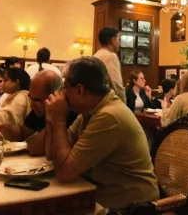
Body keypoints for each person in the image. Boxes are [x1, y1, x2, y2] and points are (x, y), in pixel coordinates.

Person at [44, 57, 159, 210]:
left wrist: (59, 119)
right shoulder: (90, 111)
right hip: (100, 198)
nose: (62, 93)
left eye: (65, 87)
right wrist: (50, 120)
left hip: (133, 208)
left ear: (79, 90)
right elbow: (52, 155)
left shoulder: (108, 116)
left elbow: (64, 172)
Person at [0, 70, 78, 155]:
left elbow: (36, 148)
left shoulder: (69, 112)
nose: (32, 105)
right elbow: (22, 132)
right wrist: (4, 129)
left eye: (37, 100)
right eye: (30, 98)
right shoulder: (38, 108)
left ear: (56, 95)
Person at [93, 28, 126, 103]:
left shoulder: (97, 55)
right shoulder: (110, 56)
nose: (119, 42)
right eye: (118, 39)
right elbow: (116, 85)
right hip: (107, 101)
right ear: (113, 40)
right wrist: (123, 103)